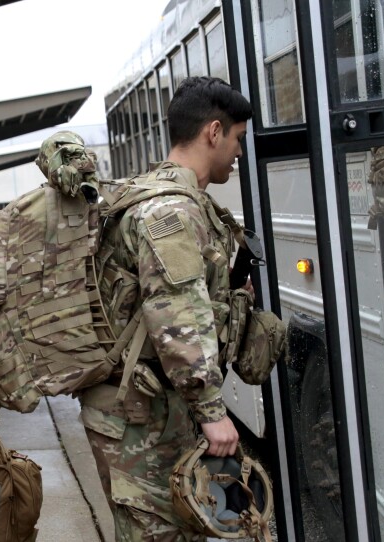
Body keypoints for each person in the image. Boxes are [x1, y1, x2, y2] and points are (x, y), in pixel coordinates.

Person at [78, 76, 253, 540]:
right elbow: (175, 314)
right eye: (237, 139)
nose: (239, 153)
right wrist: (213, 412)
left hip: (151, 405)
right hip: (137, 417)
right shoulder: (169, 212)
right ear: (213, 133)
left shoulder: (161, 196)